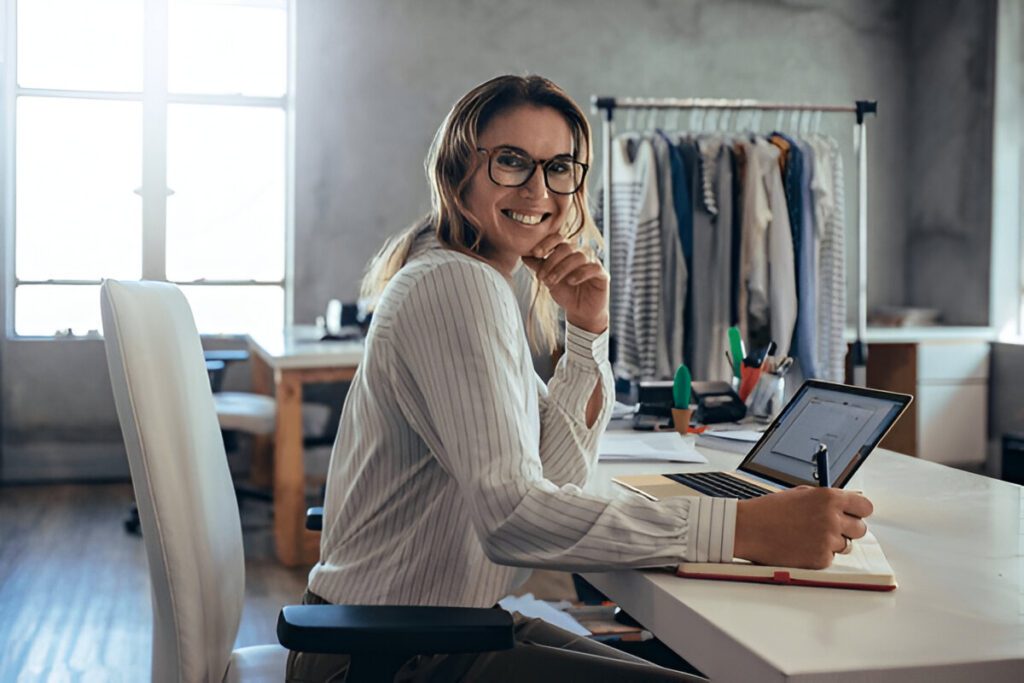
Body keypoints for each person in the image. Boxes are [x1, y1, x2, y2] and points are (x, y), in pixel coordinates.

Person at [287, 74, 873, 682]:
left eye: (559, 166)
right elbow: (514, 519)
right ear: (458, 170)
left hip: (435, 634)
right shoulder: (453, 285)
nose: (539, 188)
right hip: (390, 658)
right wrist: (743, 526)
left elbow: (557, 475)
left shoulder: (477, 280)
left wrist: (587, 330)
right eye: (511, 161)